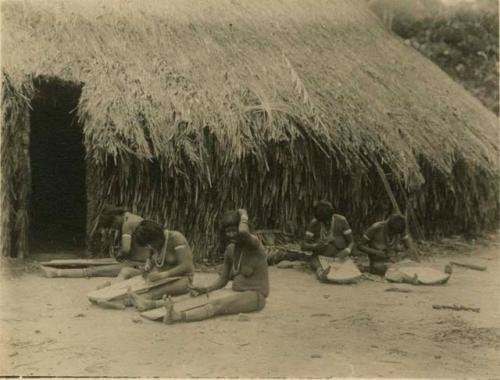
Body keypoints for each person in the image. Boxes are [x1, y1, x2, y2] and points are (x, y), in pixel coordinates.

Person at [151, 209, 269, 324]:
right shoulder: (230, 250)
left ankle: (178, 316)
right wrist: (206, 289)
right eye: (228, 231)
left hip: (255, 296)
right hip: (236, 293)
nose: (231, 234)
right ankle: (151, 305)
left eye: (234, 230)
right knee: (196, 298)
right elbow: (223, 280)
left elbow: (244, 233)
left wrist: (243, 214)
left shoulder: (254, 246)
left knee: (217, 305)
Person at [41, 206, 146, 278]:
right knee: (105, 263)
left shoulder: (127, 224)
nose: (115, 228)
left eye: (113, 225)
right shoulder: (134, 218)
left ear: (116, 218)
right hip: (139, 260)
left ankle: (58, 273)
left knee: (95, 270)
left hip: (137, 264)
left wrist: (119, 255)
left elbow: (126, 249)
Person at [126, 220, 194, 311]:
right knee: (127, 272)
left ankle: (143, 301)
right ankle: (113, 294)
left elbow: (187, 266)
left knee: (154, 292)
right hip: (161, 280)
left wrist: (163, 275)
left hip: (182, 279)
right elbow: (150, 262)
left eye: (149, 244)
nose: (149, 247)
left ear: (156, 236)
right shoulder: (154, 245)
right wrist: (146, 268)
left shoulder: (175, 238)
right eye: (147, 245)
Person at [300, 200, 355, 282]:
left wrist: (347, 250)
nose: (326, 223)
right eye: (323, 221)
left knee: (348, 272)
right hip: (320, 258)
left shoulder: (341, 221)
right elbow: (303, 245)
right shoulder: (314, 223)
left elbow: (352, 242)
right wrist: (314, 246)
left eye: (328, 220)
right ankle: (321, 274)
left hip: (339, 257)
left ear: (332, 215)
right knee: (315, 262)